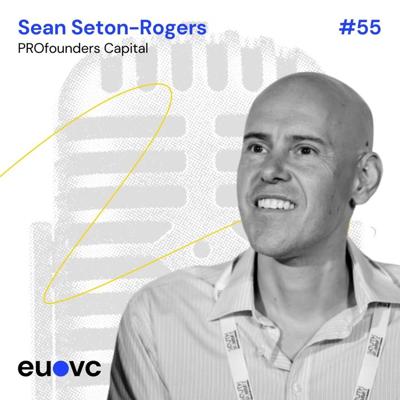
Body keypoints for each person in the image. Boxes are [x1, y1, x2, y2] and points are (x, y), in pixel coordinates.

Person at [107, 72, 400, 400]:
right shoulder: (160, 317)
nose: (270, 170)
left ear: (363, 178)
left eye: (304, 150)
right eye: (258, 148)